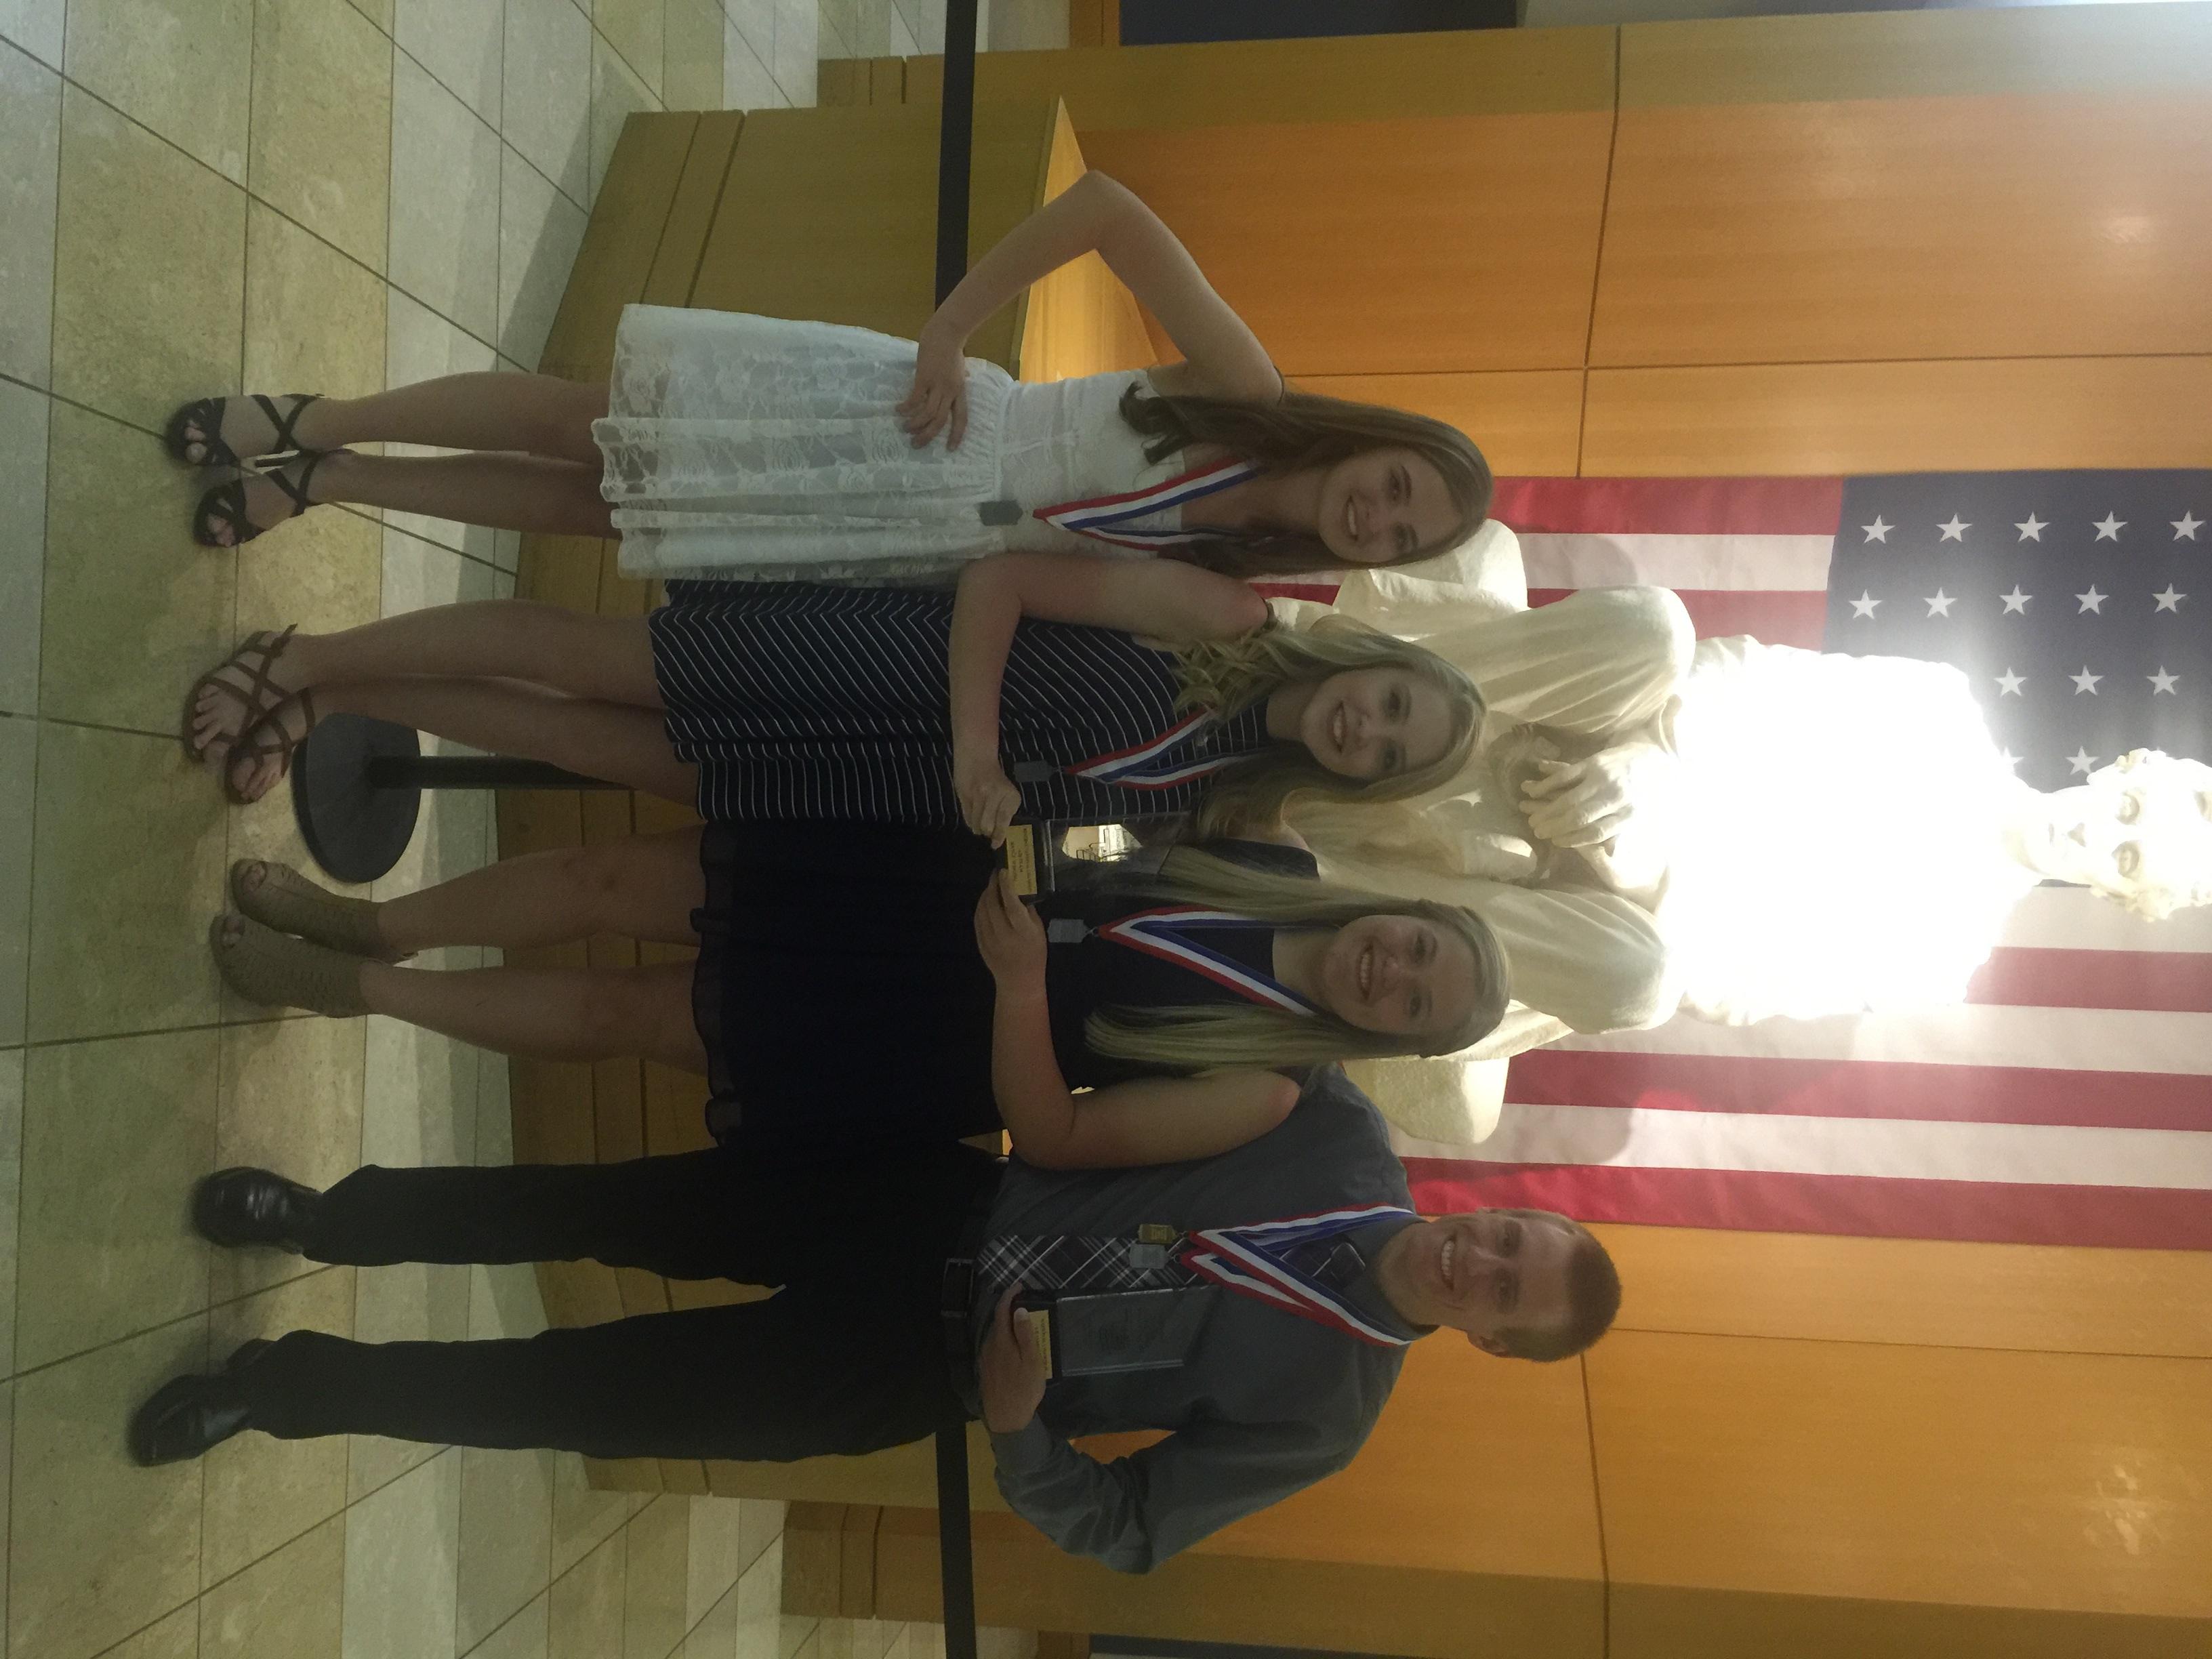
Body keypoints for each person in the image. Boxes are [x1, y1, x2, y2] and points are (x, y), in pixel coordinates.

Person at [128, 1067, 1622, 1573]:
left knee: (573, 1393)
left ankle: (278, 1387)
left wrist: (1026, 1428)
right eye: (1509, 1239)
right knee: (597, 1203)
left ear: (1493, 1343)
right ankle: (333, 1218)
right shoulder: (1339, 1133)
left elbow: (1130, 1528)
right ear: (1498, 1204)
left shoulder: (1328, 1417)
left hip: (915, 1369)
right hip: (926, 1207)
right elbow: (1123, 1105)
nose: (1479, 1264)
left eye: (1507, 1295)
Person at [161, 169, 1492, 591]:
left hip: (892, 544)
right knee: (587, 426)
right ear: (1375, 445)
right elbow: (1104, 205)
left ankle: (330, 484)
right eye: (1396, 487)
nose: (1380, 518)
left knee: (597, 515)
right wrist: (948, 327)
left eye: (1406, 534)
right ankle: (309, 417)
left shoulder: (1240, 575)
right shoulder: (1250, 388)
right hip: (922, 422)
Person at [211, 827, 1509, 1165]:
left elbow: (1058, 1136)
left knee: (627, 1016)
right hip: (911, 891)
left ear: (1383, 1036)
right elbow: (1105, 842)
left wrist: (1014, 989)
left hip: (924, 1033)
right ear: (1394, 911)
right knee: (612, 878)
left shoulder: (1265, 1085)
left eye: (1409, 1001)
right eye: (1412, 946)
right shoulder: (1273, 865)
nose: (1388, 971)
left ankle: (362, 988)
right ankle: (373, 917)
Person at [180, 575, 1483, 838]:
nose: (1360, 729)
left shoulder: (1230, 799)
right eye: (1384, 702)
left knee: (581, 743)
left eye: (1384, 749)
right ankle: (305, 658)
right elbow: (1005, 582)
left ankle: (331, 693)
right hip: (871, 660)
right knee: (590, 660)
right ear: (1364, 664)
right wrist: (978, 744)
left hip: (877, 782)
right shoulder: (1234, 623)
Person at [1501, 636, 2212, 1023]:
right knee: (1652, 632)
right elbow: (1737, 674)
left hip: (1622, 903)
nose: (2094, 835)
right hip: (1632, 745)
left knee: (1643, 975)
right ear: (2118, 772)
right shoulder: (1937, 706)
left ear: (2119, 897)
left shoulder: (1941, 956)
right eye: (2126, 812)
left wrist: (1645, 877)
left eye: (2126, 857)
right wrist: (1653, 761)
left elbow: (1731, 988)